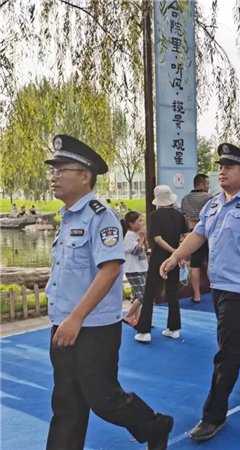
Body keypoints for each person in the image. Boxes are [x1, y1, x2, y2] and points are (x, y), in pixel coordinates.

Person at [44, 134, 172, 450]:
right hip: (62, 324)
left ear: (85, 176)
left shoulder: (101, 216)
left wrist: (76, 318)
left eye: (61, 170)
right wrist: (64, 320)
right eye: (53, 170)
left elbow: (111, 270)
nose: (54, 176)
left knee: (104, 399)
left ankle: (156, 425)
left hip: (92, 327)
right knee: (66, 404)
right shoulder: (66, 217)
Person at [159, 143, 240, 442]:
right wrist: (175, 256)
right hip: (219, 286)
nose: (222, 172)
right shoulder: (214, 204)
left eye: (229, 167)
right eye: (220, 167)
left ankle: (213, 415)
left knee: (227, 353)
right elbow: (198, 234)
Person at [134, 185, 188, 343]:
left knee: (150, 293)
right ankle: (174, 328)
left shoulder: (155, 215)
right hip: (174, 259)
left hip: (159, 258)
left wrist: (174, 252)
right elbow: (187, 236)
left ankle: (144, 331)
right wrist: (179, 253)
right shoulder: (179, 215)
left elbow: (157, 239)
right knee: (173, 292)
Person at [180, 173, 212, 303]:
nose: (209, 187)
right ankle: (214, 290)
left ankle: (197, 295)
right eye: (207, 184)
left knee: (195, 264)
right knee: (212, 262)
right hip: (208, 233)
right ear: (201, 185)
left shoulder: (185, 199)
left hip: (192, 233)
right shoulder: (209, 198)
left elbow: (184, 217)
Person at [121, 211, 148, 327]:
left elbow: (146, 249)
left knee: (137, 295)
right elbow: (136, 251)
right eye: (139, 221)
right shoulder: (129, 236)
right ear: (131, 224)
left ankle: (138, 319)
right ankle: (128, 315)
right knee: (143, 294)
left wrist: (144, 238)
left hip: (141, 267)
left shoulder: (137, 234)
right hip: (133, 269)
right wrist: (141, 238)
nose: (141, 223)